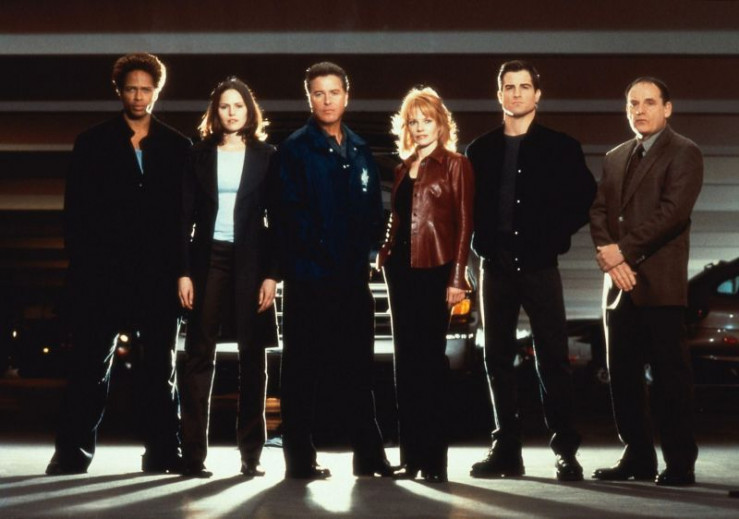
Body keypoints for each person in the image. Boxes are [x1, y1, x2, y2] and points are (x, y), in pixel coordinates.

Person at [46, 53, 190, 475]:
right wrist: (84, 267)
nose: (138, 97)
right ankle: (72, 453)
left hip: (157, 275)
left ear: (157, 91)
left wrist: (180, 270)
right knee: (89, 367)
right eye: (131, 89)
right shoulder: (92, 142)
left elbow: (183, 218)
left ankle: (163, 452)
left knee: (160, 369)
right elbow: (75, 212)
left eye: (146, 89)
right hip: (102, 274)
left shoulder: (177, 146)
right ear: (119, 91)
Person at [466, 60, 596, 481]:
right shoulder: (479, 151)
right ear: (499, 94)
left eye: (524, 86)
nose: (517, 93)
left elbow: (584, 199)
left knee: (553, 357)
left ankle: (565, 452)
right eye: (509, 86)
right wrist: (480, 247)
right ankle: (506, 449)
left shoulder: (561, 147)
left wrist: (551, 237)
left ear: (537, 95)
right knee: (496, 357)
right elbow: (467, 209)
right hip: (495, 265)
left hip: (540, 264)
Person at [271, 61, 391, 480]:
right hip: (309, 279)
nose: (327, 101)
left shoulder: (359, 149)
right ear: (309, 98)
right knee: (301, 371)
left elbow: (373, 211)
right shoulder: (293, 150)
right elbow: (288, 215)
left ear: (346, 96)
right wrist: (327, 253)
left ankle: (369, 457)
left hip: (352, 279)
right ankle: (299, 460)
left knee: (359, 369)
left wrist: (365, 253)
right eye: (318, 93)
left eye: (334, 92)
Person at [590, 77, 702, 486]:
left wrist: (622, 252)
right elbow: (599, 212)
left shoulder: (685, 152)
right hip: (619, 286)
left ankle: (679, 462)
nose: (639, 110)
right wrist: (610, 256)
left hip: (660, 285)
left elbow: (672, 214)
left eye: (649, 102)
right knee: (622, 377)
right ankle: (637, 456)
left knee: (671, 379)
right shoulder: (615, 156)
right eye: (632, 104)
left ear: (667, 108)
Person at [178, 77, 278, 478]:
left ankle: (251, 455)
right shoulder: (197, 155)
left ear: (249, 111)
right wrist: (183, 272)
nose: (232, 112)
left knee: (253, 356)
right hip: (208, 259)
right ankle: (192, 456)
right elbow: (182, 219)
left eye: (238, 105)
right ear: (215, 112)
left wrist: (272, 275)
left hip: (252, 262)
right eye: (224, 106)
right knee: (199, 354)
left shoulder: (267, 156)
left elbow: (278, 220)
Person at [377, 87, 473, 483]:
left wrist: (458, 277)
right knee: (406, 363)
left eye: (426, 120)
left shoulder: (456, 165)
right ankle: (411, 457)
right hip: (400, 270)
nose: (419, 128)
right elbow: (399, 217)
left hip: (436, 268)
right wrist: (384, 250)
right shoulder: (403, 167)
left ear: (440, 123)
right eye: (413, 121)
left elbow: (465, 224)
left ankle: (435, 462)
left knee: (431, 364)